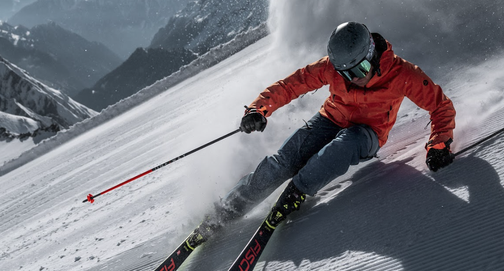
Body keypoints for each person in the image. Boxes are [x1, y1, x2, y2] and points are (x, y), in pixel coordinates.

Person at [188, 21, 456, 247]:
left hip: (367, 133)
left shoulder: (403, 74)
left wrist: (439, 144)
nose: (354, 79)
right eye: (346, 74)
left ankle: (297, 192)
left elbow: (440, 106)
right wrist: (258, 109)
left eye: (360, 70)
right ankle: (228, 209)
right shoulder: (331, 68)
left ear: (372, 54)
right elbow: (291, 85)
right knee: (283, 161)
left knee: (338, 148)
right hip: (330, 119)